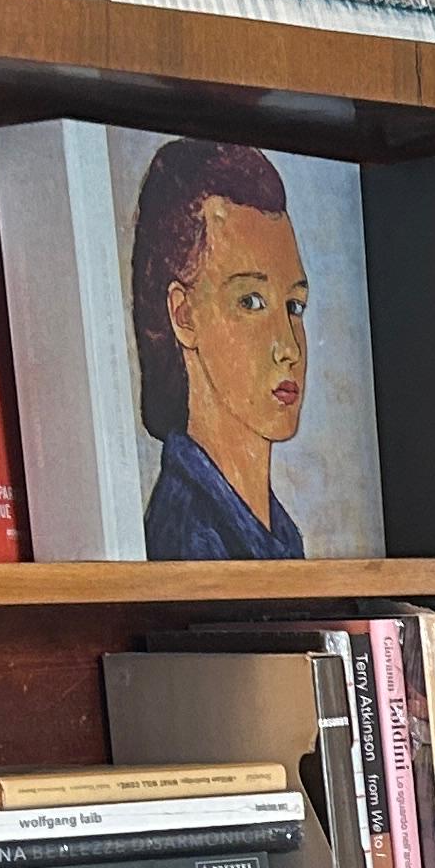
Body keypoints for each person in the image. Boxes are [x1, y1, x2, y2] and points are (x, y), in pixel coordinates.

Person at [131, 136, 317, 558]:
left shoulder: (275, 531)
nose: (288, 347)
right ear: (184, 316)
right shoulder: (189, 537)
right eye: (251, 302)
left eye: (294, 306)